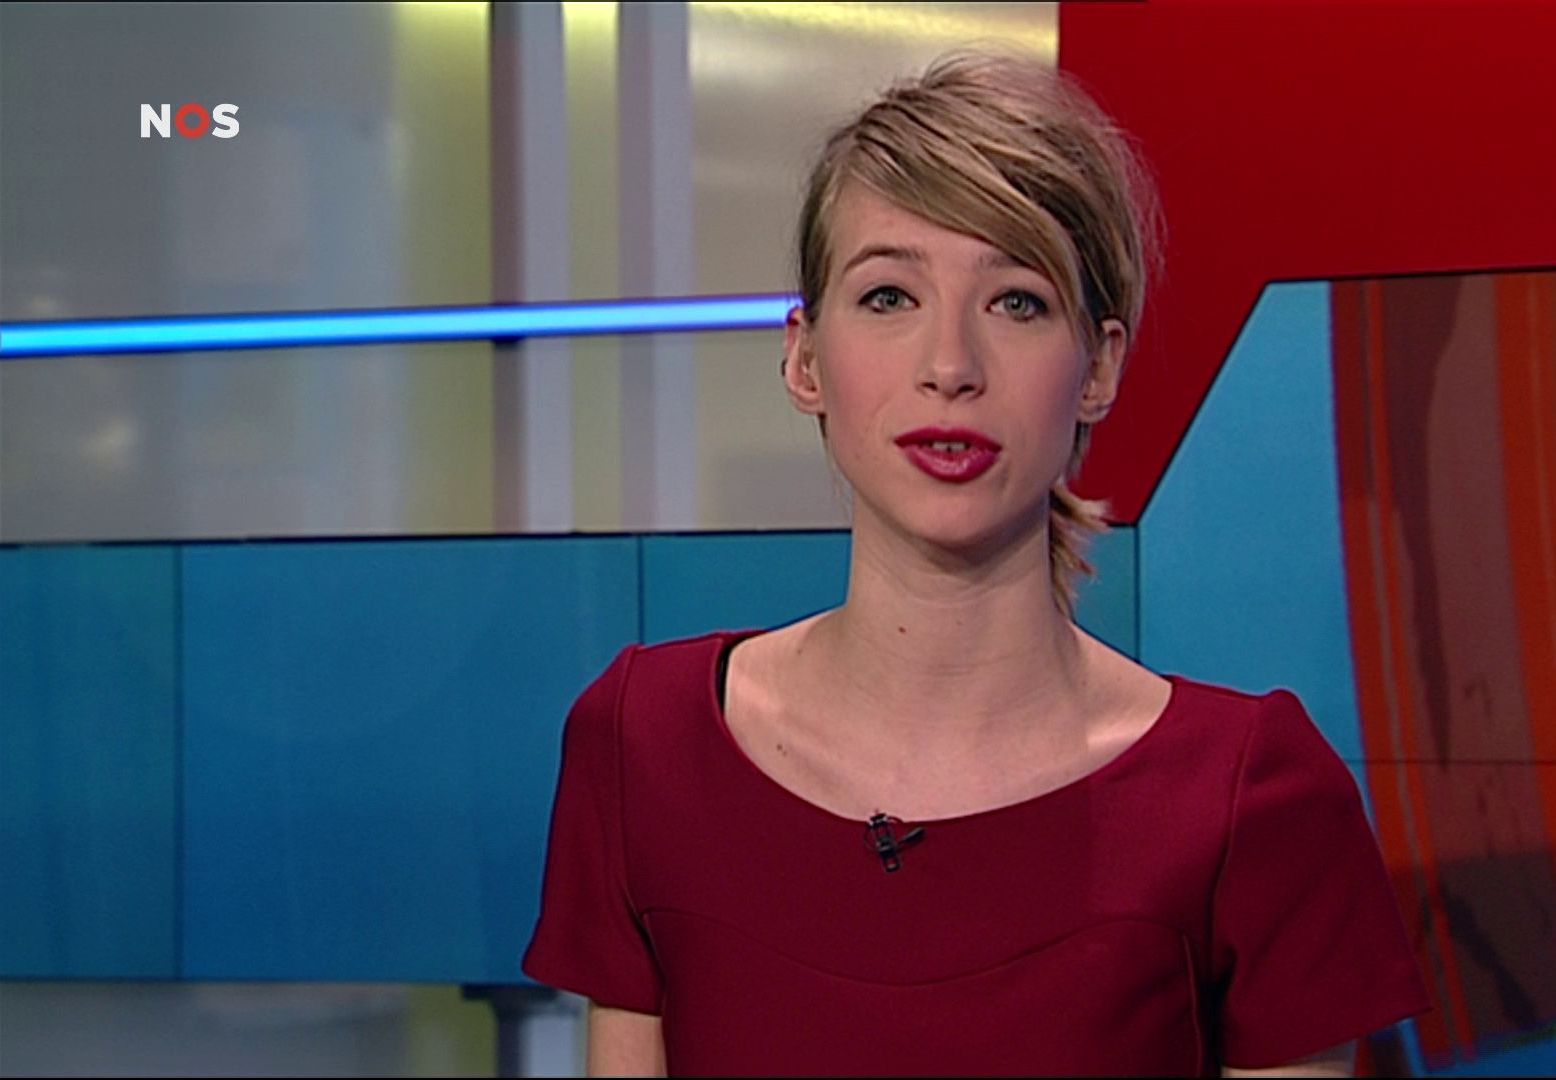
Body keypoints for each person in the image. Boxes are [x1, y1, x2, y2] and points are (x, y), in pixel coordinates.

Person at [523, 50, 1429, 1078]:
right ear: (804, 359)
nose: (950, 365)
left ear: (1099, 368)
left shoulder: (1253, 800)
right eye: (888, 297)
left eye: (1017, 302)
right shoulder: (646, 746)